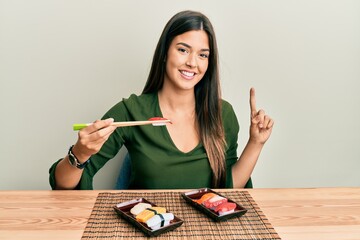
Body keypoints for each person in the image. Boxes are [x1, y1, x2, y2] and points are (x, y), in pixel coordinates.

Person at [49, 10, 274, 190]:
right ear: (165, 52)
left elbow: (229, 191)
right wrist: (80, 153)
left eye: (203, 55)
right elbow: (62, 185)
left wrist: (256, 143)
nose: (193, 63)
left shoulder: (223, 114)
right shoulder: (130, 111)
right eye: (183, 50)